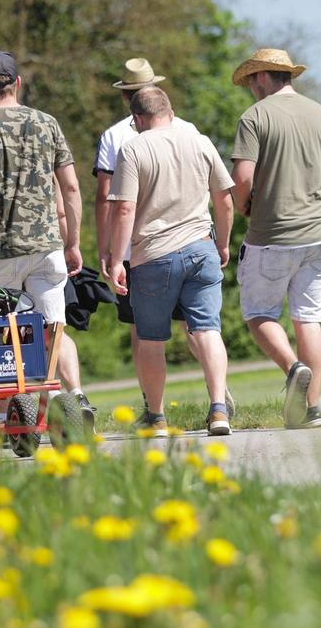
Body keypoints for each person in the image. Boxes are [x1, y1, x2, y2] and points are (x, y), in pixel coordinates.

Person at [0, 50, 87, 424]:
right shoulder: (47, 123)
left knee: (1, 334)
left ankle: (7, 415)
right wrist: (72, 242)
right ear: (18, 83)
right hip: (46, 246)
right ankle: (73, 401)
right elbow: (72, 188)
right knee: (52, 328)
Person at [94, 58, 233, 420]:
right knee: (207, 329)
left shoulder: (133, 148)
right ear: (169, 110)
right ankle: (218, 407)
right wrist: (222, 243)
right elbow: (225, 199)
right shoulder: (199, 140)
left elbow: (122, 209)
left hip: (154, 255)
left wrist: (114, 259)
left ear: (137, 118)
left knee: (151, 339)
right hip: (202, 247)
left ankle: (155, 416)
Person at [229, 48, 321, 429]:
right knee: (309, 319)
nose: (250, 87)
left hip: (273, 234)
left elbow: (243, 178)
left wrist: (245, 205)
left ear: (263, 77)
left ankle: (292, 367)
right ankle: (308, 410)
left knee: (259, 313)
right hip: (320, 233)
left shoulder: (255, 118)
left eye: (251, 80)